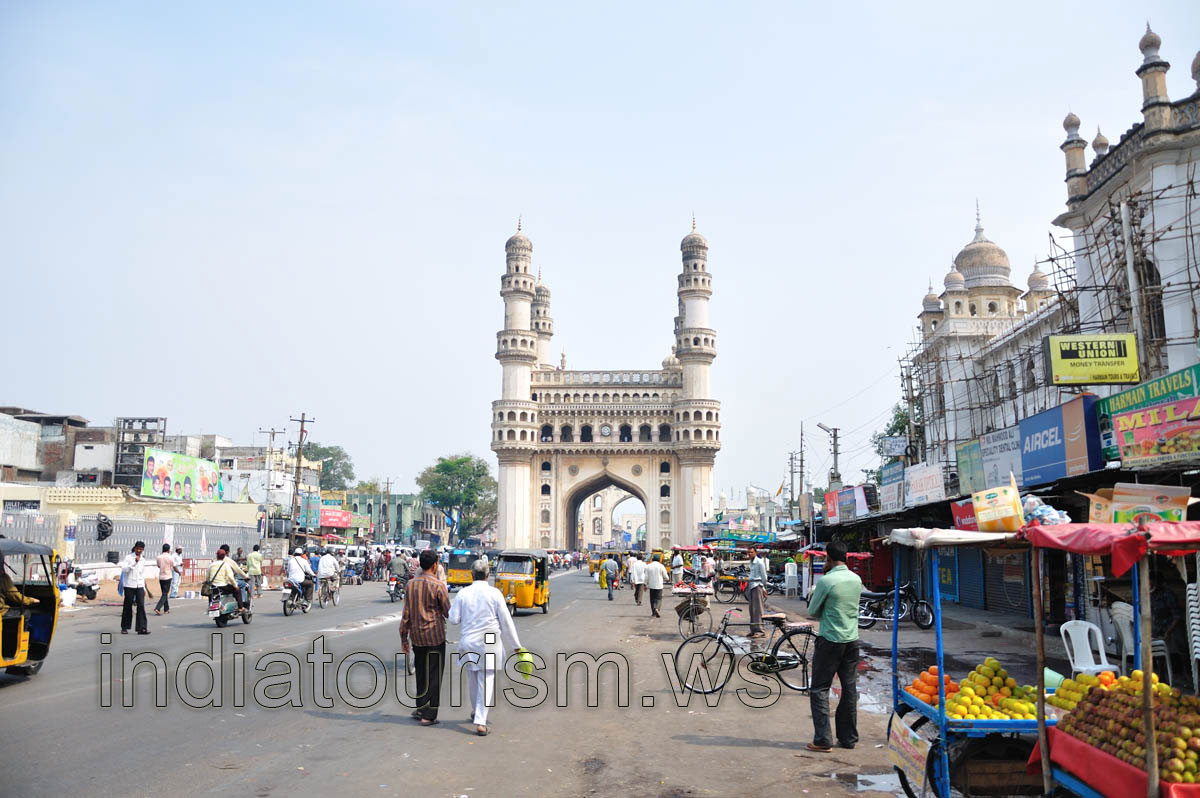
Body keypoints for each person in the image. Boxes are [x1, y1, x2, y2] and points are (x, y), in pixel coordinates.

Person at [449, 559, 523, 736]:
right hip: (489, 641)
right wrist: (516, 646)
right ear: (488, 575)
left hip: (469, 641)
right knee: (486, 680)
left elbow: (453, 619)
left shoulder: (463, 593)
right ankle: (480, 721)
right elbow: (506, 621)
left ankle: (477, 712)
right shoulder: (495, 593)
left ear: (471, 574)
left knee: (473, 678)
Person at [805, 541, 863, 753]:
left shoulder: (827, 581)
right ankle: (848, 738)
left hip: (830, 640)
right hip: (852, 640)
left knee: (819, 689)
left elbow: (813, 611)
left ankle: (823, 739)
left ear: (828, 558)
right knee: (849, 689)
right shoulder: (856, 579)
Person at [399, 550, 451, 726]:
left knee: (421, 673)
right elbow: (447, 611)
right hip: (435, 636)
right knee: (434, 675)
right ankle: (428, 715)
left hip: (417, 637)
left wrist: (403, 639)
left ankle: (421, 707)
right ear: (435, 565)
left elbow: (406, 614)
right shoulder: (438, 586)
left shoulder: (410, 585)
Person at [207, 547, 249, 616]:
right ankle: (241, 607)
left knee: (211, 594)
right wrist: (235, 586)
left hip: (214, 587)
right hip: (223, 586)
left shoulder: (211, 564)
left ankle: (210, 606)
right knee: (237, 590)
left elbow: (207, 578)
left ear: (217, 556)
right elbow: (230, 577)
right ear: (225, 555)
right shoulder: (226, 565)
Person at [119, 541, 150, 635]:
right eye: (138, 549)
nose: (139, 551)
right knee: (128, 606)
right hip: (129, 585)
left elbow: (142, 574)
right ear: (135, 548)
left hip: (139, 585)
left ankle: (142, 628)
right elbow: (124, 569)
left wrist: (144, 587)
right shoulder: (129, 558)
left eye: (141, 549)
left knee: (141, 606)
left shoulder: (143, 560)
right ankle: (125, 627)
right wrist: (133, 563)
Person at [746, 547, 768, 638]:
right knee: (752, 609)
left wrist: (764, 588)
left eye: (751, 552)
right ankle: (753, 629)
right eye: (749, 552)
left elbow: (764, 576)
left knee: (758, 609)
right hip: (751, 586)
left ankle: (760, 630)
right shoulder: (751, 562)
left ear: (755, 552)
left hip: (757, 586)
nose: (749, 554)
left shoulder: (760, 562)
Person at [154, 543, 176, 615]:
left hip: (161, 576)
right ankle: (158, 607)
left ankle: (166, 609)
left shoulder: (159, 557)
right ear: (168, 550)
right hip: (168, 576)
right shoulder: (170, 557)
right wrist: (178, 572)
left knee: (164, 593)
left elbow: (158, 566)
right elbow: (174, 566)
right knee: (165, 593)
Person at [645, 554, 668, 618]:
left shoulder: (648, 566)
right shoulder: (661, 566)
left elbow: (646, 577)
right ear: (659, 560)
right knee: (658, 598)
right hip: (659, 585)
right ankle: (657, 608)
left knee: (652, 599)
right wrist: (667, 579)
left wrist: (645, 584)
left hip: (651, 585)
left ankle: (653, 612)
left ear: (652, 559)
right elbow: (665, 576)